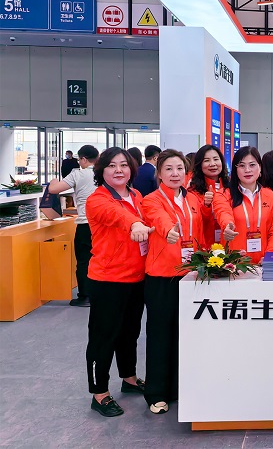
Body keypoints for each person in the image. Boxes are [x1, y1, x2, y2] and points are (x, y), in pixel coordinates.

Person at [84, 147, 153, 417]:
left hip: (137, 277)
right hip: (108, 279)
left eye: (123, 165)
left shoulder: (136, 195)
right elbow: (118, 216)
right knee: (103, 337)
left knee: (130, 333)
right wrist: (135, 223)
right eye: (111, 165)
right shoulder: (97, 199)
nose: (118, 170)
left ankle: (129, 378)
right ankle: (99, 393)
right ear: (101, 170)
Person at [142, 149, 203, 415]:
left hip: (190, 274)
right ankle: (156, 392)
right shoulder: (151, 200)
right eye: (168, 169)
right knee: (160, 335)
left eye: (179, 168)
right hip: (162, 276)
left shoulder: (193, 199)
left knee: (185, 334)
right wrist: (169, 231)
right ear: (159, 173)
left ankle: (179, 387)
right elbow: (160, 219)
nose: (175, 174)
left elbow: (200, 232)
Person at [48, 144, 99, 307]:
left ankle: (85, 296)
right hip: (102, 224)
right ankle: (99, 294)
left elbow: (54, 189)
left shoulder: (78, 174)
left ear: (83, 159)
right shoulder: (103, 173)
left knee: (84, 260)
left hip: (85, 224)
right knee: (100, 259)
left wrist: (53, 180)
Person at [213, 146, 273, 264]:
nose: (247, 170)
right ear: (235, 169)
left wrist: (270, 256)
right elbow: (223, 212)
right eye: (242, 165)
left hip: (263, 264)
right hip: (235, 265)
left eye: (252, 165)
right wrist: (227, 225)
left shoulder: (272, 197)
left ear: (260, 167)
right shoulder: (223, 195)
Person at [186, 145, 231, 249]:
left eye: (216, 159)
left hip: (229, 244)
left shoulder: (231, 187)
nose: (212, 164)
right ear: (199, 164)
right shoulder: (192, 191)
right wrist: (206, 205)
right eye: (206, 160)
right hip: (205, 246)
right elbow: (193, 221)